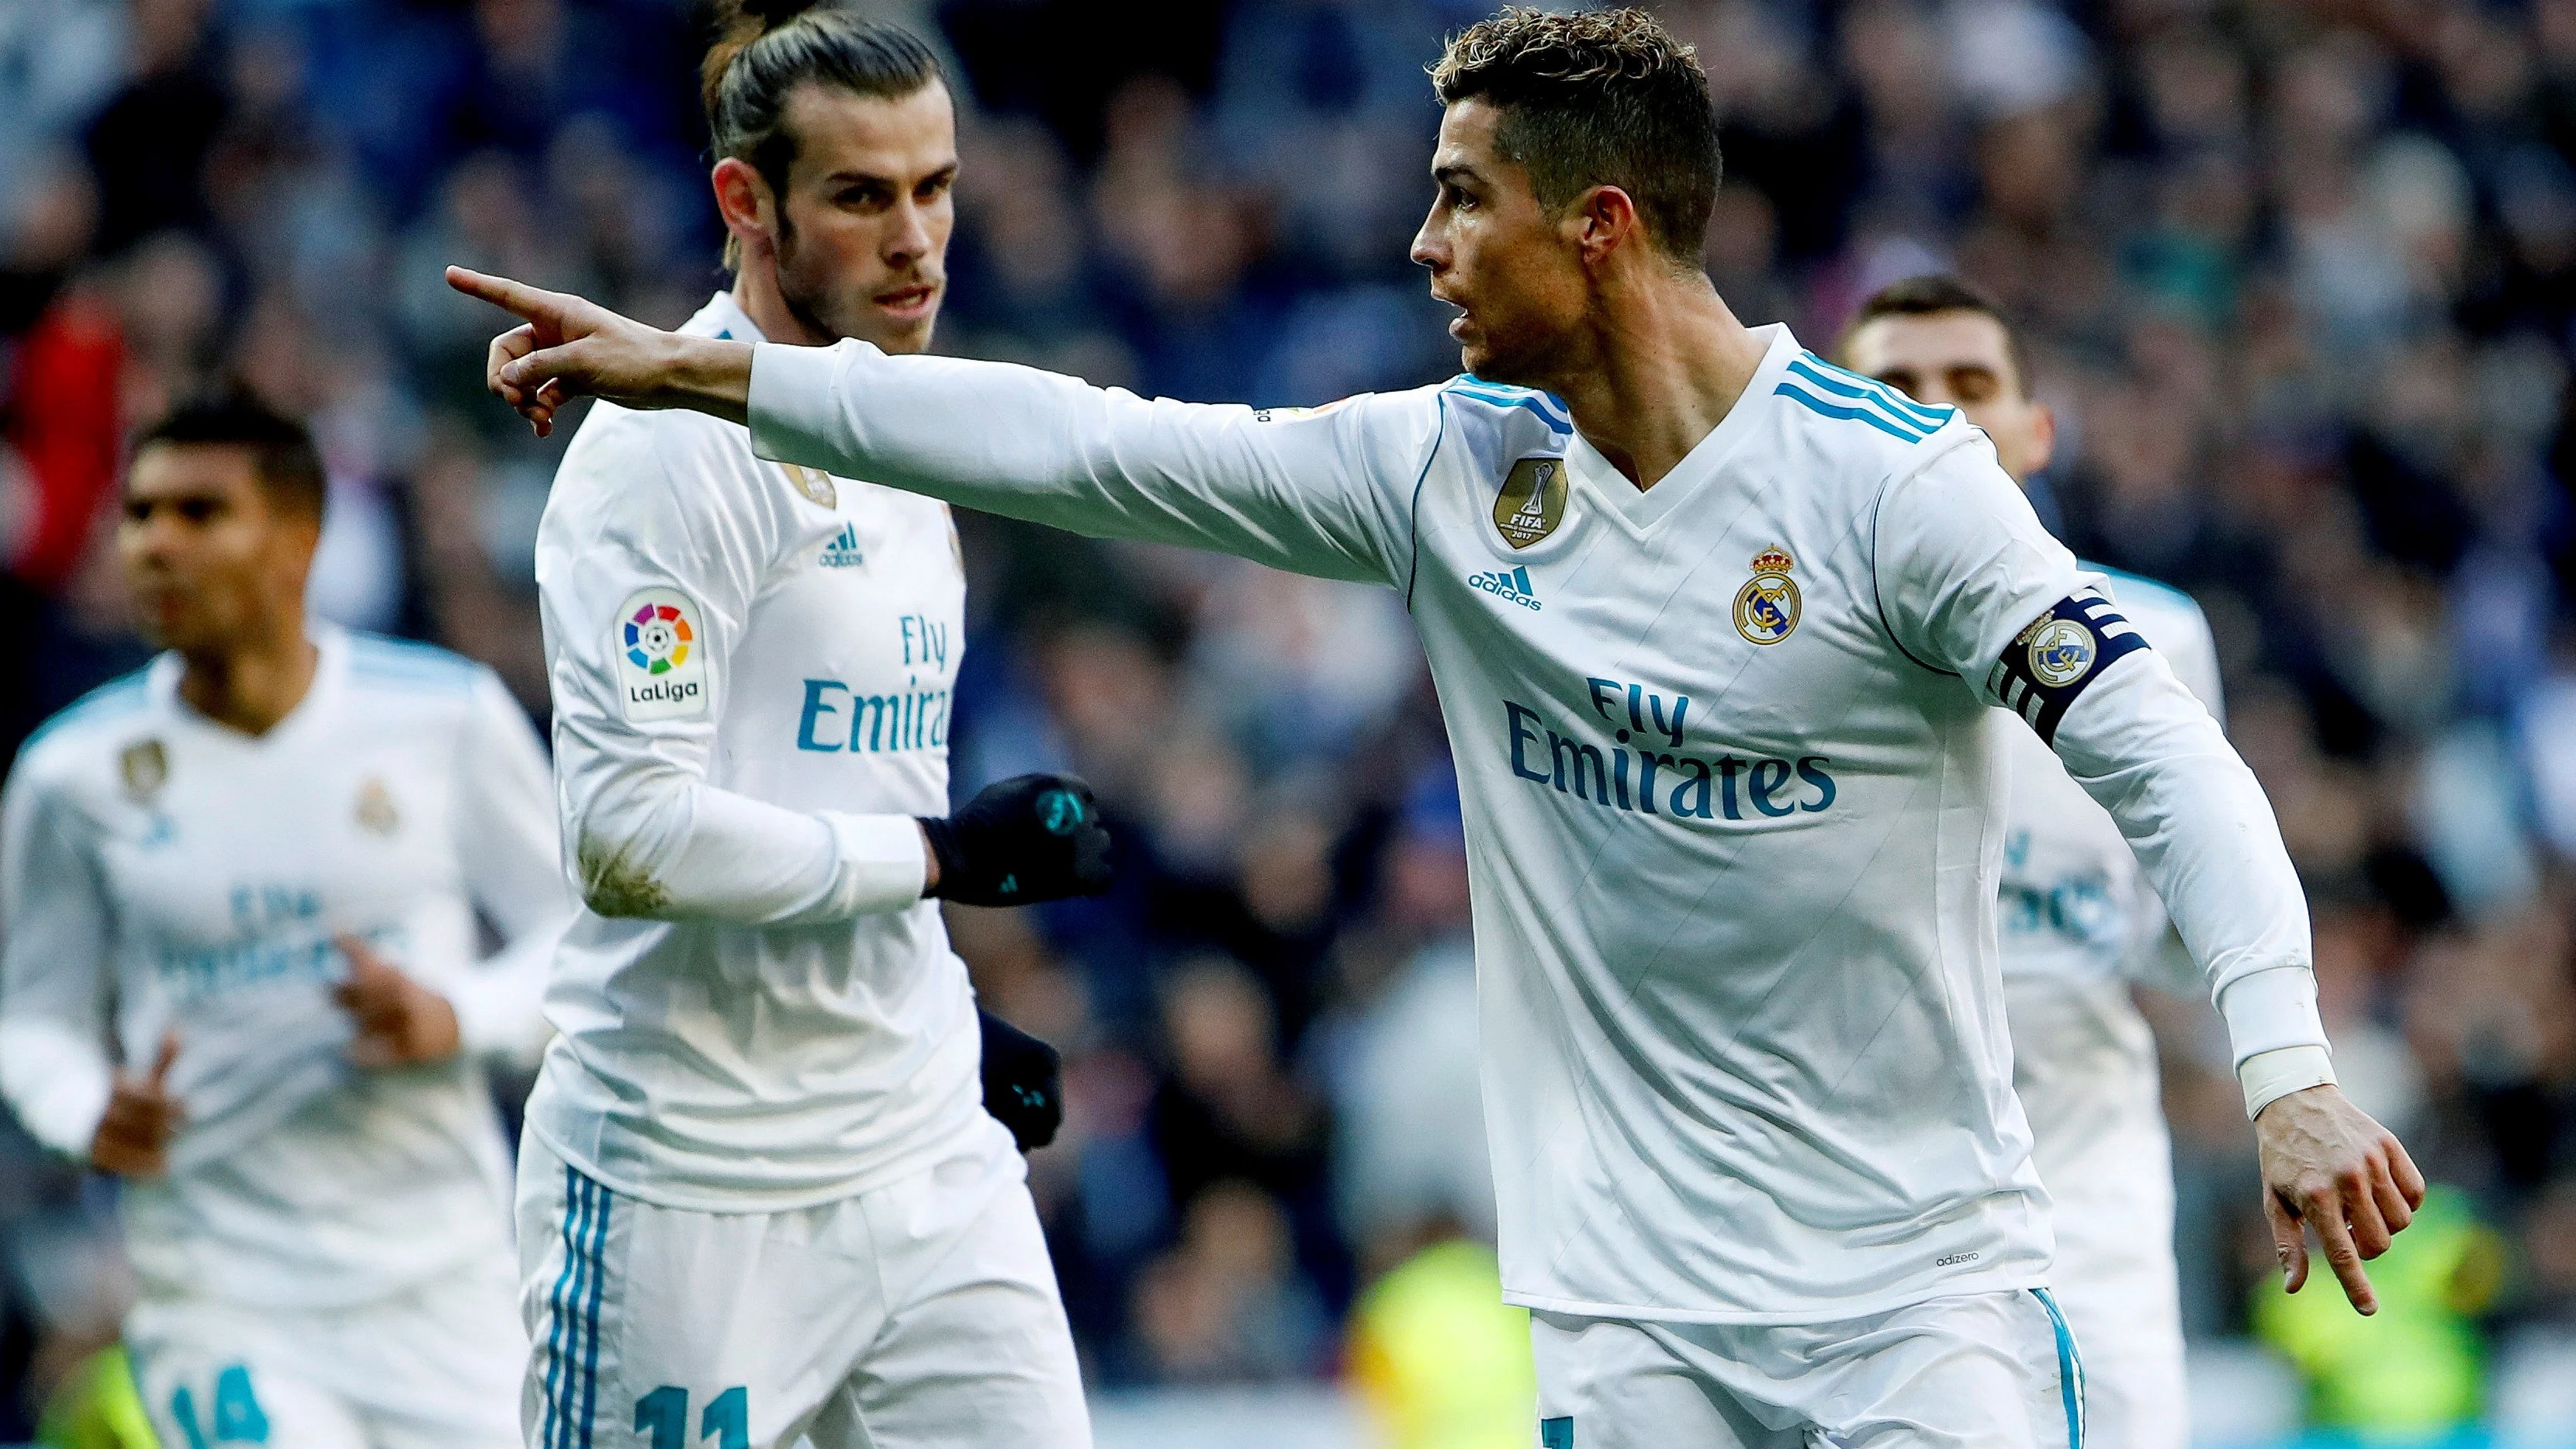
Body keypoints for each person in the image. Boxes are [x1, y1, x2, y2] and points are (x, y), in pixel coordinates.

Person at [450, 9, 2426, 1447]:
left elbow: (2163, 753)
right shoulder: (1446, 471)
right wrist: (711, 381)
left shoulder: (1891, 487)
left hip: (1922, 1307)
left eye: (1459, 202)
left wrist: (2287, 1068)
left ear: (1598, 231)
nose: (1418, 246)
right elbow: (1092, 444)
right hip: (1624, 1319)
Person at [505, 6, 1106, 1448]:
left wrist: (943, 1013)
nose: (918, 240)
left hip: (917, 1144)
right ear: (745, 203)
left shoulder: (899, 422)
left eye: (937, 187)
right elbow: (628, 839)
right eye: (862, 195)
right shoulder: (662, 457)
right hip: (685, 1186)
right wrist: (936, 861)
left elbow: (833, 766)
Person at [0, 392, 571, 1449]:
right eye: (140, 514)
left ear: (297, 543)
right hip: (223, 1291)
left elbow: (579, 945)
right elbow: (30, 1018)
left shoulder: (442, 716)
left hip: (445, 1287)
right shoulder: (70, 773)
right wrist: (86, 1108)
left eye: (201, 514)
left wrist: (457, 1014)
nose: (154, 546)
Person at [1840, 275, 2215, 1449]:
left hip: (2088, 1227)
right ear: (1825, 428)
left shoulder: (2156, 640)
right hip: (1861, 1236)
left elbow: (2178, 916)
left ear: (2037, 429)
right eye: (1895, 387)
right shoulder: (1780, 661)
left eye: (1971, 386)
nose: (1939, 413)